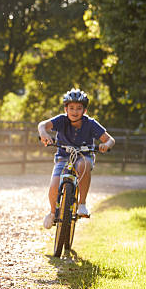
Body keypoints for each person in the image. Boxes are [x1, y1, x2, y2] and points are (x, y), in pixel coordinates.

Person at [38, 88, 115, 229]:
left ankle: (82, 204)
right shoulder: (61, 120)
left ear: (84, 111)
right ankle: (53, 212)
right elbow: (42, 125)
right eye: (71, 108)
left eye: (79, 108)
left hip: (83, 156)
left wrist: (106, 145)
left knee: (83, 164)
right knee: (54, 185)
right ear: (65, 109)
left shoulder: (91, 123)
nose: (74, 111)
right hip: (63, 157)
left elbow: (110, 139)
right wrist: (43, 133)